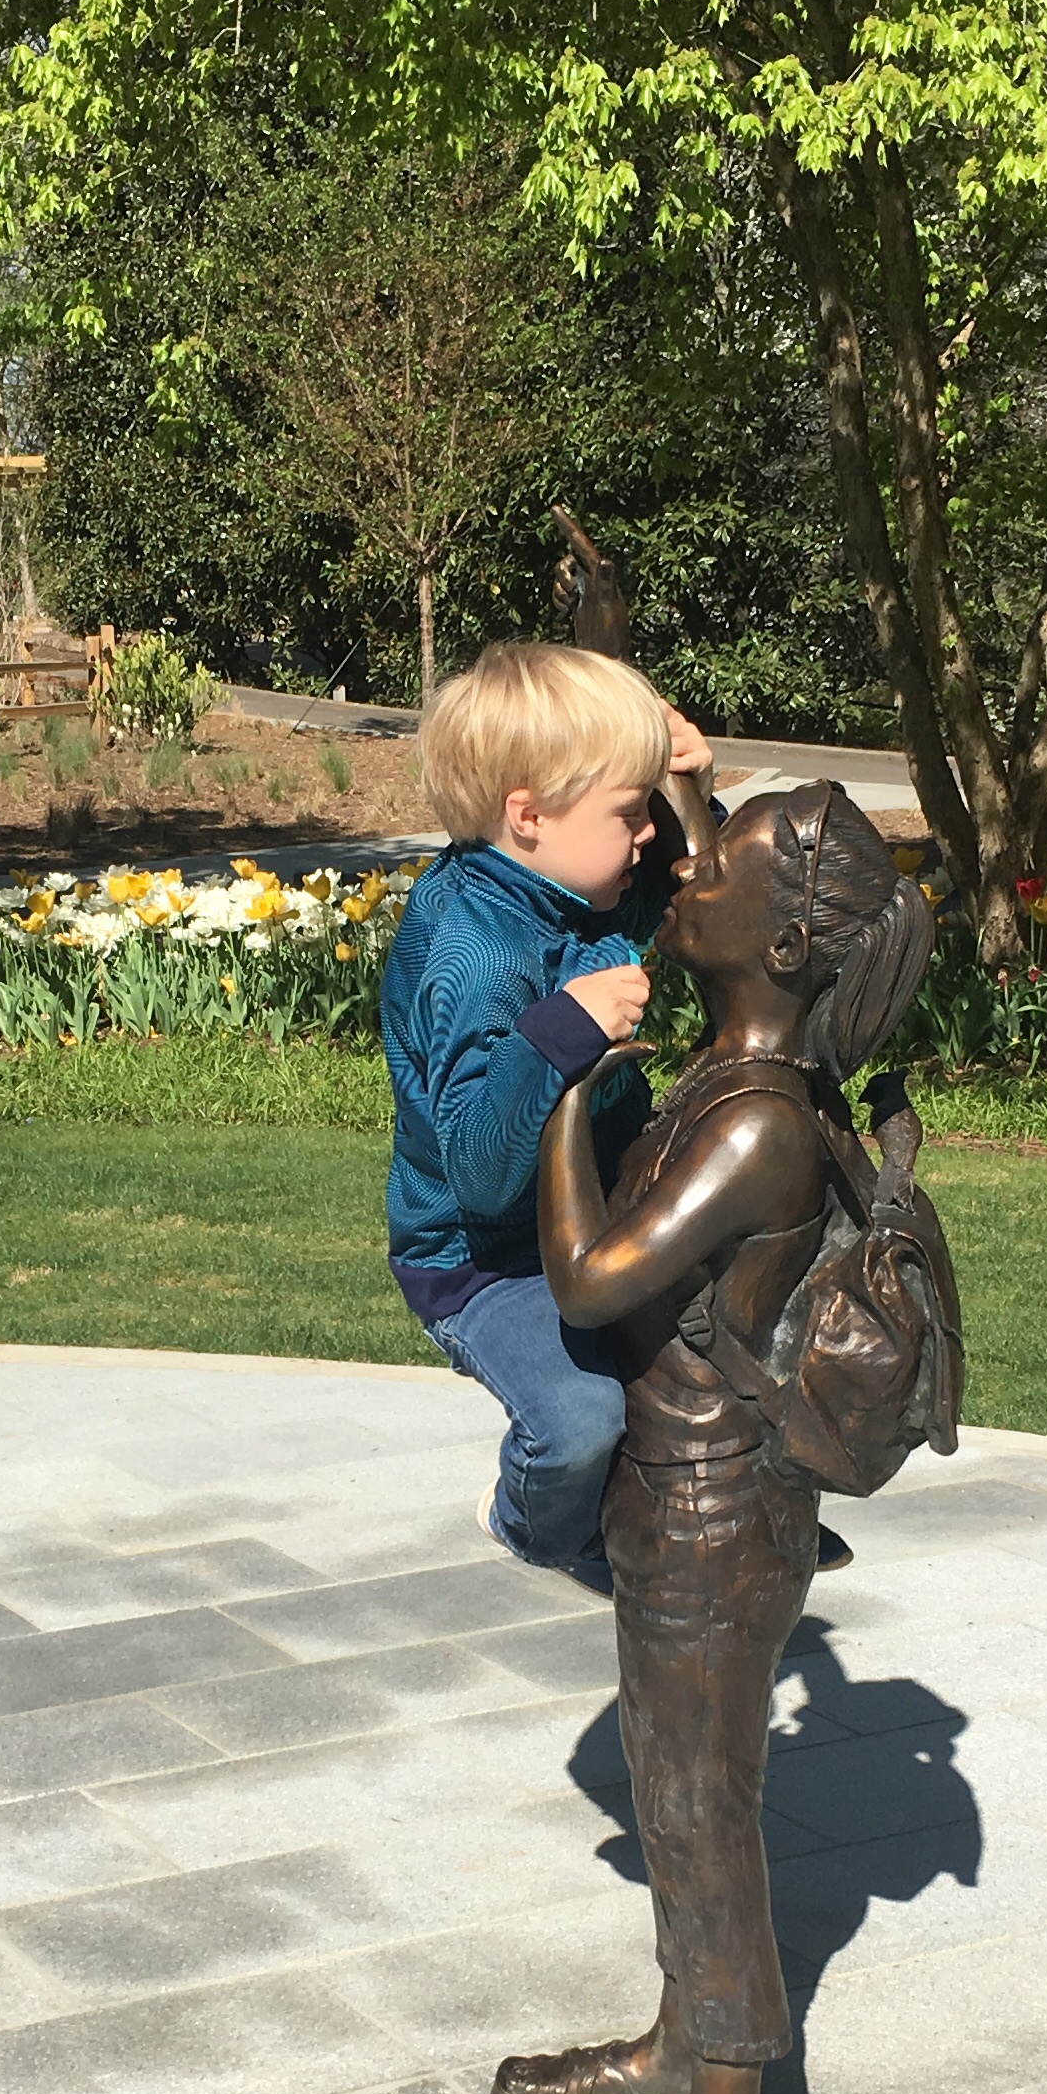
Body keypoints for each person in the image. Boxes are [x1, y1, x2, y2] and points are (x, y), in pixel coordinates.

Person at [500, 784, 939, 2094]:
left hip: (714, 1516)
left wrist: (567, 1082)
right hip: (683, 1510)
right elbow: (701, 832)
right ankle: (684, 2053)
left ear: (793, 940)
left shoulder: (757, 1129)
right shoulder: (746, 1079)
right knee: (677, 1798)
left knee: (698, 1816)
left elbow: (587, 1281)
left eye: (723, 866)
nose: (688, 868)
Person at [379, 643, 710, 1591]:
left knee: (737, 1319)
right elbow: (481, 1169)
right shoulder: (470, 952)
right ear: (528, 816)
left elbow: (697, 889)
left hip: (600, 1217)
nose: (646, 833)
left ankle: (735, 1515)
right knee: (579, 1419)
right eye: (627, 810)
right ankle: (537, 1526)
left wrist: (691, 793)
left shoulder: (583, 882)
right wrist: (563, 1030)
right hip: (488, 1258)